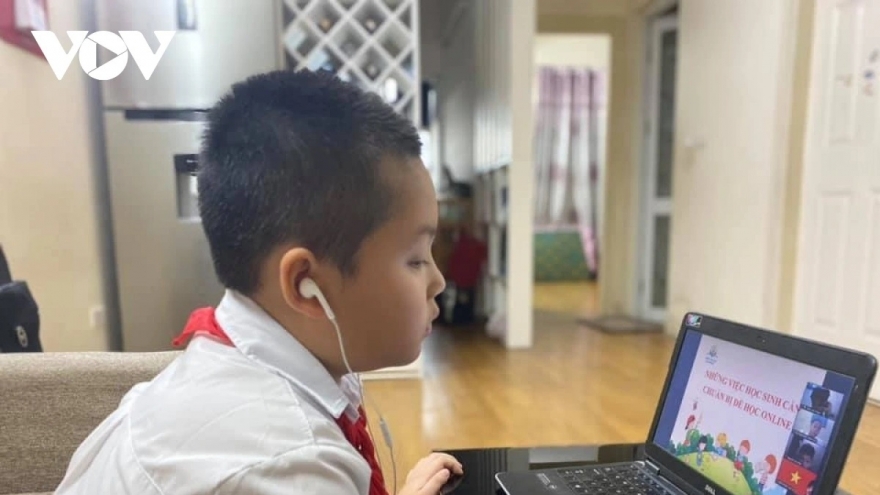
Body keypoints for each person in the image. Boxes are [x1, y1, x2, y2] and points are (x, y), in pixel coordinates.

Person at [54, 69, 461, 495]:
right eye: (416, 259)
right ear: (305, 285)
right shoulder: (287, 466)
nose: (438, 281)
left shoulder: (219, 371)